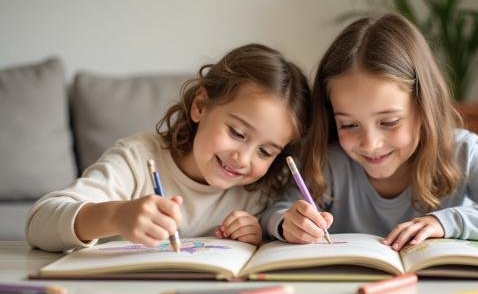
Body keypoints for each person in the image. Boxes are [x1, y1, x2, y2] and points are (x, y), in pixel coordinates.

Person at [262, 13, 478, 251]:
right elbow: (274, 213)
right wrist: (285, 223)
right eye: (348, 124)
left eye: (389, 122)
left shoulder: (458, 153)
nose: (370, 143)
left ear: (423, 108)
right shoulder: (329, 162)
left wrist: (450, 222)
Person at [27, 44, 311, 252]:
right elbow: (39, 223)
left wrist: (254, 232)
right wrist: (116, 216)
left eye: (266, 151)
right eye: (236, 133)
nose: (244, 158)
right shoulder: (138, 158)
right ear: (200, 106)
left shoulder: (255, 192)